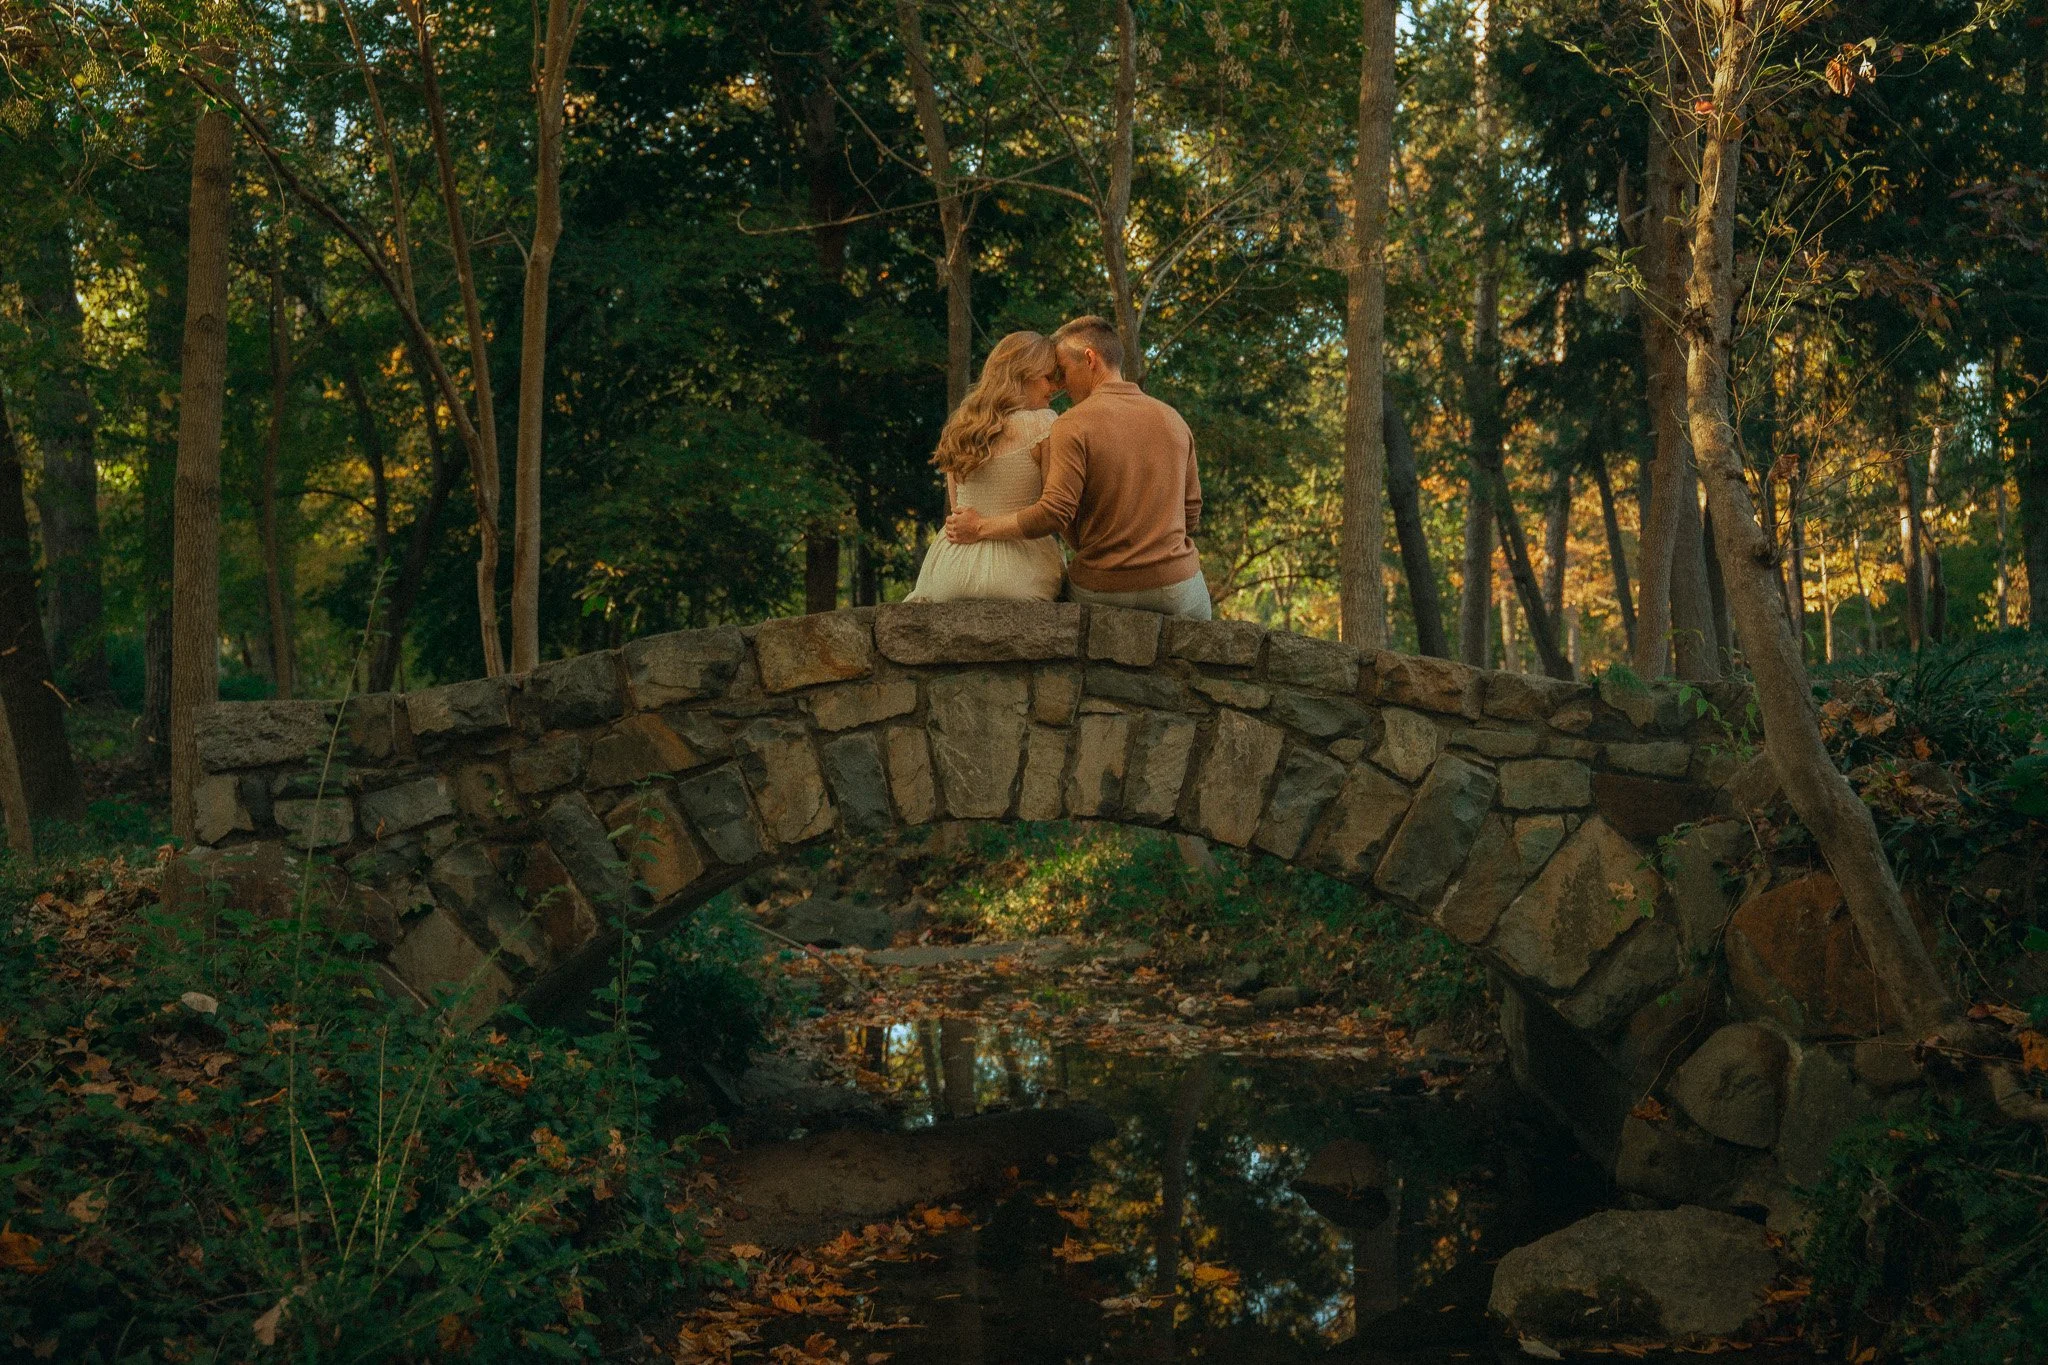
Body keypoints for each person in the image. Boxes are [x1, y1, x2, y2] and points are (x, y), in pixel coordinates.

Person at [944, 315, 1210, 620]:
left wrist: (978, 527)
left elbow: (1057, 513)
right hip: (1175, 585)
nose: (1060, 385)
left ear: (1090, 359)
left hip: (1101, 587)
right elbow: (1191, 513)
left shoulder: (1071, 424)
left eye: (1064, 371)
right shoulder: (1173, 420)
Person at [903, 332, 1066, 603]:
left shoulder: (960, 428)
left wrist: (975, 528)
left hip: (950, 570)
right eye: (1049, 377)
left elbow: (958, 512)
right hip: (1018, 572)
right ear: (1023, 374)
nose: (1056, 387)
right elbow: (1050, 513)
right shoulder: (1043, 424)